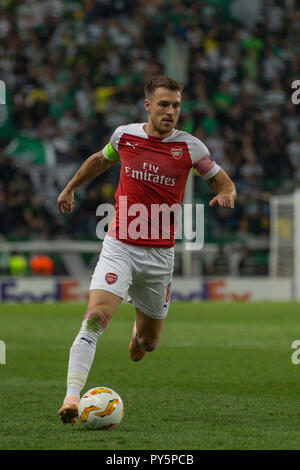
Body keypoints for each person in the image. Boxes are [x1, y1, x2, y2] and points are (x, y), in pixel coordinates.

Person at [57, 75, 237, 424]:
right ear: (148, 105)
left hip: (159, 257)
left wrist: (227, 193)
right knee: (95, 318)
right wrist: (70, 188)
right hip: (120, 245)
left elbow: (222, 180)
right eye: (164, 104)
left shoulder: (190, 148)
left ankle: (139, 336)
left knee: (147, 345)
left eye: (177, 106)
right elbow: (100, 160)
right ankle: (71, 397)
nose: (171, 112)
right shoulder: (124, 136)